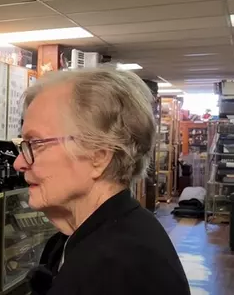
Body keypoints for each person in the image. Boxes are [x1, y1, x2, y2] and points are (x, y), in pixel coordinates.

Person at [14, 68, 191, 295]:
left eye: (36, 143)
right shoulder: (82, 240)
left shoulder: (115, 268)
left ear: (98, 156)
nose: (18, 163)